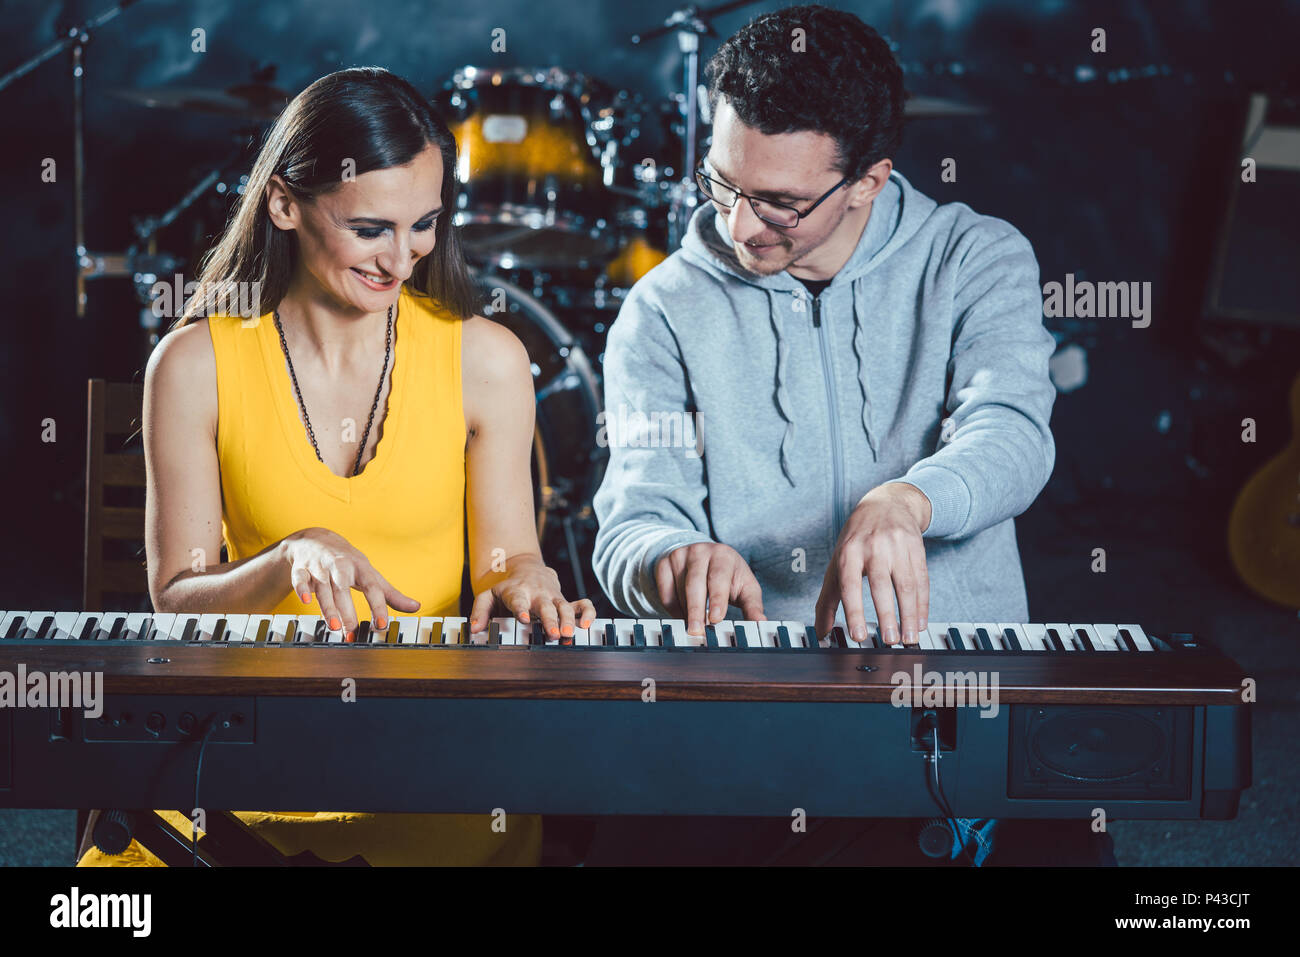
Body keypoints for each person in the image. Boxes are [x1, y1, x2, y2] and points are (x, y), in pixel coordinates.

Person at [590, 4, 1112, 865]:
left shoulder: (977, 258)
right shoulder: (661, 311)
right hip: (753, 694)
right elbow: (634, 517)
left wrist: (906, 500)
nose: (740, 225)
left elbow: (1011, 432)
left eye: (780, 203)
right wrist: (668, 558)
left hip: (959, 682)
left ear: (869, 179)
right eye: (722, 183)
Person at [78, 66, 594, 867]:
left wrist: (526, 580)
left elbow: (508, 561)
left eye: (424, 223)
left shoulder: (487, 359)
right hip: (237, 756)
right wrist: (287, 555)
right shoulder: (192, 364)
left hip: (425, 762)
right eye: (370, 229)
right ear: (284, 203)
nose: (402, 258)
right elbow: (176, 598)